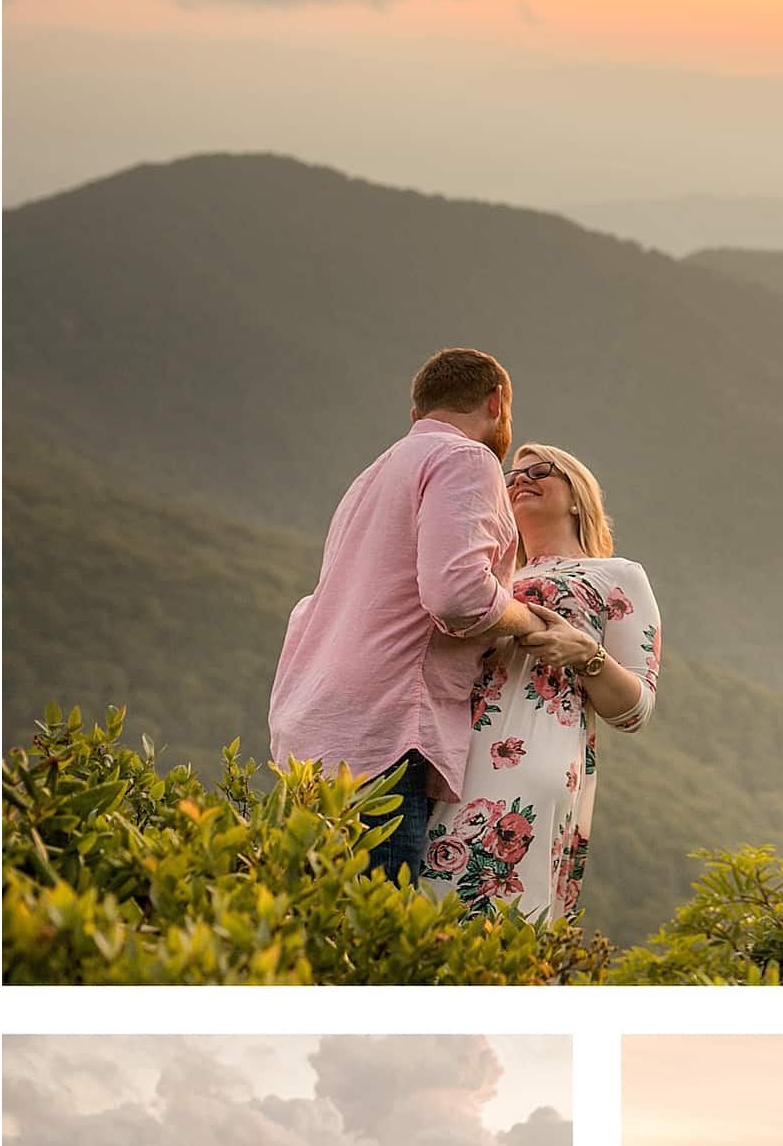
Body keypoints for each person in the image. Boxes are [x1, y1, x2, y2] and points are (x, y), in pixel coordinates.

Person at [269, 348, 586, 883]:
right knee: (372, 949)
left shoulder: (371, 477)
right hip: (383, 731)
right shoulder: (466, 459)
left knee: (310, 932)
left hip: (311, 729)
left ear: (416, 414)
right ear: (497, 402)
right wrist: (530, 622)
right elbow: (456, 595)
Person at [418, 442, 659, 923]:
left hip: (533, 754)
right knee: (426, 909)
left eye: (540, 470)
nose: (520, 479)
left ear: (578, 497)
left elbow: (636, 708)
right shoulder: (483, 577)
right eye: (511, 475)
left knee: (498, 911)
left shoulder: (616, 576)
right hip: (445, 752)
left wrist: (588, 655)